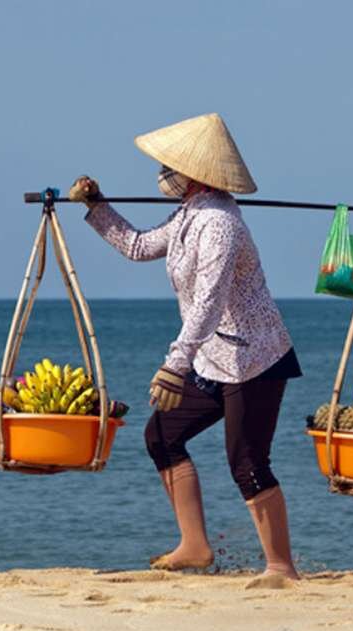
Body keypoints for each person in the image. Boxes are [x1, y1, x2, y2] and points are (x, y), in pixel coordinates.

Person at [69, 113, 303, 580]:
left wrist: (174, 364)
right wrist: (96, 205)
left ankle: (281, 567)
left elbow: (210, 303)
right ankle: (194, 546)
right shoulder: (187, 216)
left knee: (247, 461)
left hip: (255, 358)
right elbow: (136, 246)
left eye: (169, 168)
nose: (161, 176)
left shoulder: (220, 225)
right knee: (162, 435)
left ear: (194, 175)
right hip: (213, 358)